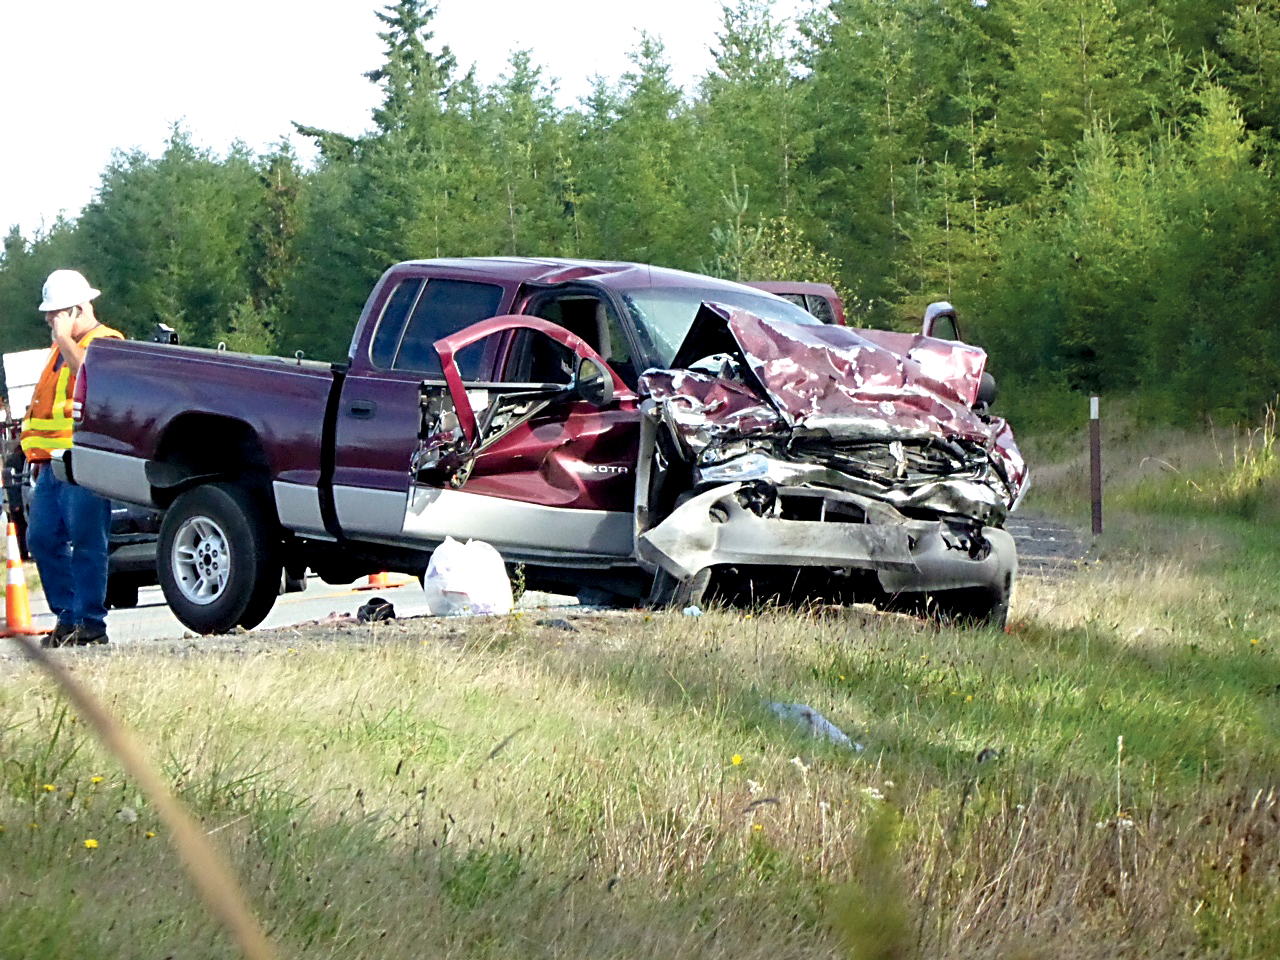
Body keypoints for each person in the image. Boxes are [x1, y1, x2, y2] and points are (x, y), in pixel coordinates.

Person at [20, 270, 123, 647]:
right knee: (42, 538)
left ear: (78, 309)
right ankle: (68, 618)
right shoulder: (59, 348)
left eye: (56, 312)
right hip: (52, 464)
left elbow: (91, 377)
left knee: (87, 539)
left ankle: (91, 624)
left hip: (84, 461)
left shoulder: (106, 342)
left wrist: (64, 339)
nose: (50, 319)